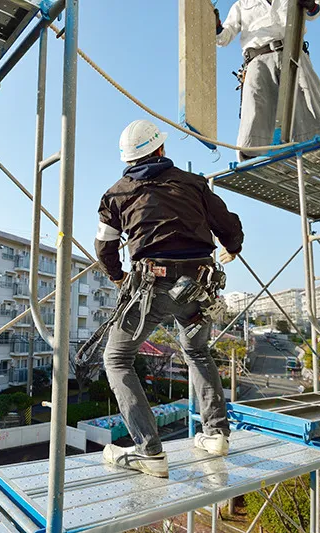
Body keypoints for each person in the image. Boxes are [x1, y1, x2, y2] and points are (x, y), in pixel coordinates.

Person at [95, 119, 244, 478]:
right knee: (196, 351)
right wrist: (232, 247)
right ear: (161, 149)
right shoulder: (194, 183)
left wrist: (118, 277)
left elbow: (105, 247)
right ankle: (216, 435)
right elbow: (228, 223)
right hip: (201, 286)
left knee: (116, 359)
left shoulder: (116, 194)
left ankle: (149, 453)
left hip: (153, 287)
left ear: (128, 160)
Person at [215, 0, 320, 160]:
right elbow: (223, 38)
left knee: (308, 102)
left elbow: (315, 10)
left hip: (294, 52)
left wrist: (311, 5)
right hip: (258, 58)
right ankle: (255, 158)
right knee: (256, 107)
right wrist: (215, 25)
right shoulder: (242, 5)